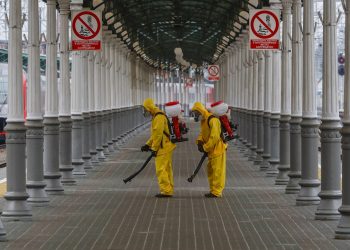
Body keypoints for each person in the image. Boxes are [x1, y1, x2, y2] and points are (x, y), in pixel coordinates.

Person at [191, 102, 227, 198]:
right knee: (211, 171)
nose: (195, 116)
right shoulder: (204, 120)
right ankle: (213, 190)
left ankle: (217, 192)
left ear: (200, 111)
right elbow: (203, 133)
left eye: (196, 113)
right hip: (211, 151)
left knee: (217, 172)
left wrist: (205, 147)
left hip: (218, 150)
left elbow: (214, 137)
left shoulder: (213, 120)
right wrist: (199, 141)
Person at [141, 98, 176, 198]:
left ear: (149, 108)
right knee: (166, 169)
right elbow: (155, 135)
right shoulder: (157, 115)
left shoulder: (158, 117)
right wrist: (148, 144)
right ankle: (169, 189)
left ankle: (165, 190)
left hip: (163, 148)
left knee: (161, 169)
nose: (144, 112)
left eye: (145, 109)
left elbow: (158, 135)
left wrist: (154, 148)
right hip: (165, 146)